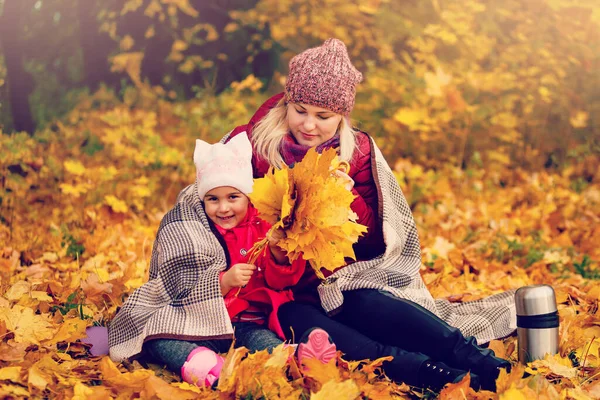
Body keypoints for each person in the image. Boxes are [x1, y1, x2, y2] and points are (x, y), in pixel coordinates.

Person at [224, 38, 516, 392]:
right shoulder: (250, 144)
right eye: (299, 110)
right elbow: (212, 206)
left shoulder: (357, 152)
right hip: (278, 290)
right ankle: (434, 376)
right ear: (287, 102)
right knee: (340, 336)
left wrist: (347, 199)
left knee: (373, 307)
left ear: (342, 116)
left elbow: (377, 240)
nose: (309, 126)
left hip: (341, 278)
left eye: (323, 116)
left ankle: (484, 365)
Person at [107, 134, 336, 387]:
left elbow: (281, 281)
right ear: (202, 200)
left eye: (232, 197)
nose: (223, 208)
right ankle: (205, 366)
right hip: (199, 322)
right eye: (213, 199)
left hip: (249, 322)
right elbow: (181, 279)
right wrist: (223, 281)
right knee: (159, 339)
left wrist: (278, 253)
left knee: (266, 345)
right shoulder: (196, 228)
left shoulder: (263, 226)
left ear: (247, 197)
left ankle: (298, 361)